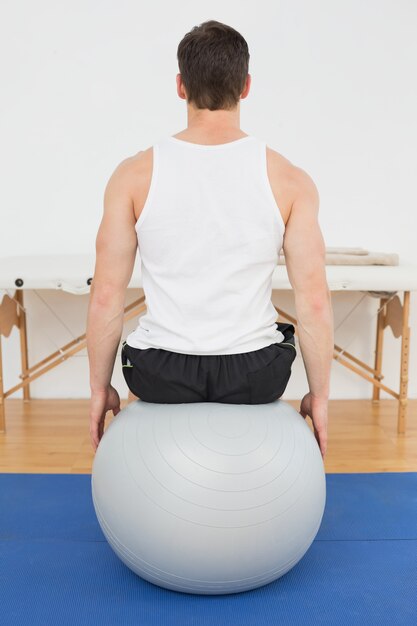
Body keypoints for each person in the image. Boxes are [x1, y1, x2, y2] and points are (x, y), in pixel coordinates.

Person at [87, 20, 334, 458]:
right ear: (246, 86)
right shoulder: (290, 179)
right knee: (279, 335)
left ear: (181, 86)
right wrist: (320, 398)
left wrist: (99, 390)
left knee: (137, 347)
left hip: (159, 372)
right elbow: (313, 301)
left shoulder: (133, 175)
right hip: (254, 375)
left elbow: (106, 295)